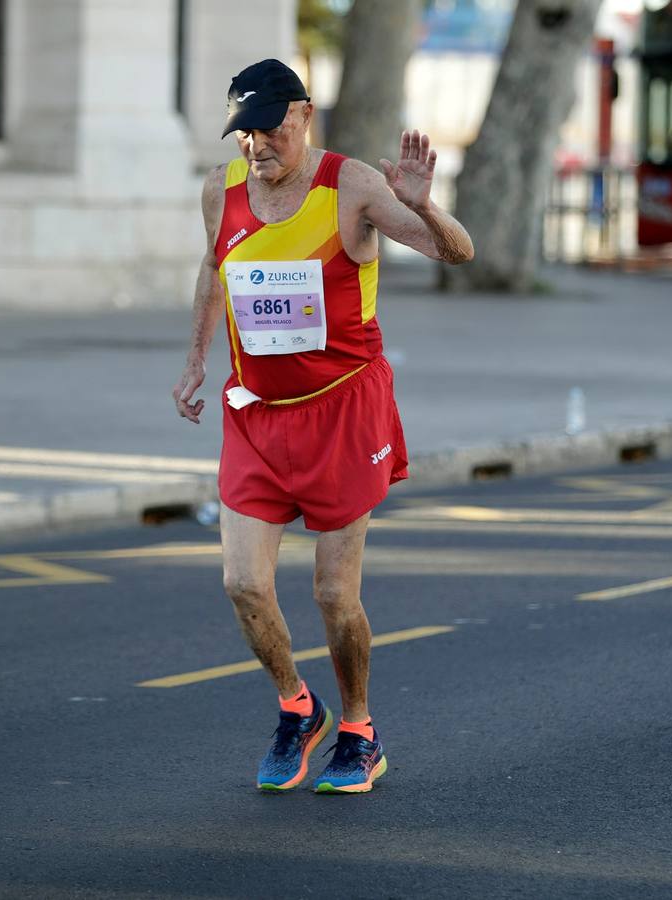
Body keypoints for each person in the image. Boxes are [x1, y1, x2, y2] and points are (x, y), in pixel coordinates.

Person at [171, 59, 473, 794]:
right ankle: (296, 708)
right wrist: (197, 361)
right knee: (244, 583)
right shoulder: (222, 190)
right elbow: (217, 269)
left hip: (343, 409)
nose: (257, 146)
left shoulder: (352, 187)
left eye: (271, 128)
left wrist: (425, 206)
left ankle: (360, 728)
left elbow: (456, 252)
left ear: (304, 114)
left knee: (335, 595)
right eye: (245, 132)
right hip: (257, 414)